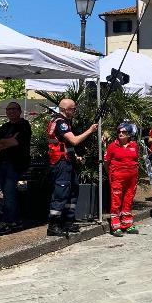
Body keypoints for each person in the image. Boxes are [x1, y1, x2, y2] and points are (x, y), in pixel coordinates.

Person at [44, 98, 98, 236]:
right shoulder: (60, 122)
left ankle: (68, 220)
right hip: (61, 163)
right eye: (73, 109)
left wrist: (75, 156)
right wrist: (90, 130)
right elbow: (73, 140)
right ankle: (54, 224)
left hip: (68, 161)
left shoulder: (64, 121)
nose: (75, 111)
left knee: (73, 190)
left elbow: (65, 145)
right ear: (64, 109)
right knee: (61, 193)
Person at [0, 101, 32, 235]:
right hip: (1, 163)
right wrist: (7, 142)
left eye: (14, 109)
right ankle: (15, 220)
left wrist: (4, 142)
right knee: (7, 193)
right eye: (9, 109)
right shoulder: (4, 126)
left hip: (16, 164)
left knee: (9, 193)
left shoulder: (24, 125)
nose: (11, 111)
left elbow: (15, 142)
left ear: (20, 111)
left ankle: (8, 222)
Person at [104, 122, 140, 237]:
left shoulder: (134, 145)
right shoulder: (112, 146)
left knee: (128, 200)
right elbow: (106, 162)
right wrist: (111, 173)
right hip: (117, 178)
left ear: (129, 134)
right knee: (116, 201)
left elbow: (136, 159)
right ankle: (115, 225)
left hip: (132, 178)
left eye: (124, 132)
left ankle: (127, 224)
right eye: (119, 132)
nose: (121, 134)